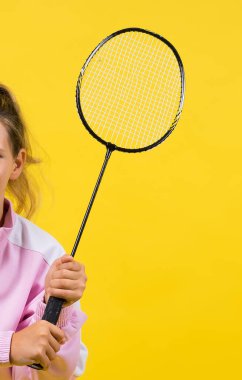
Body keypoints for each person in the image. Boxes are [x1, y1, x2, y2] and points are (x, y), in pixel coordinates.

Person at [0, 84, 88, 379]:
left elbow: (47, 377)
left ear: (17, 163)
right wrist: (9, 347)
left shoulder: (45, 256)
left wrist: (59, 310)